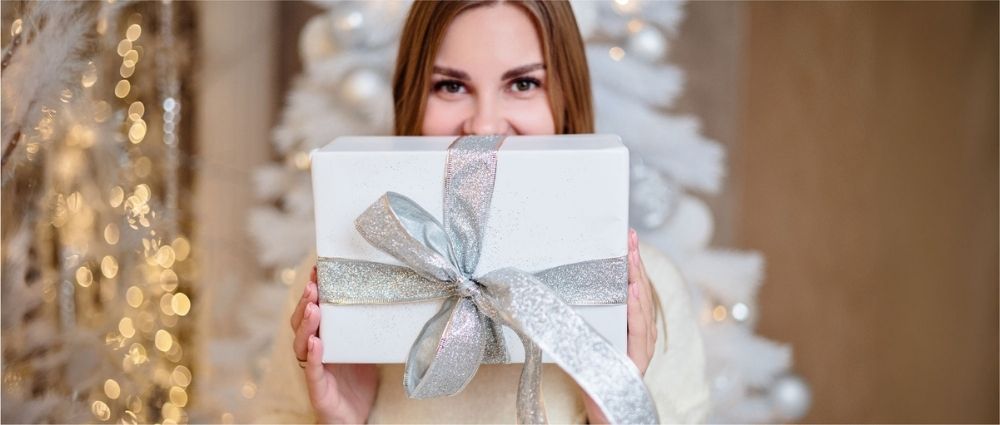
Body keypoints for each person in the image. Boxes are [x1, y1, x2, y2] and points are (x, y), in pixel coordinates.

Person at [256, 1, 710, 423]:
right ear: (413, 97)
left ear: (565, 99)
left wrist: (613, 406)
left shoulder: (644, 288)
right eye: (451, 86)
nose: (485, 125)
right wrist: (343, 417)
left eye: (523, 83)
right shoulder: (342, 282)